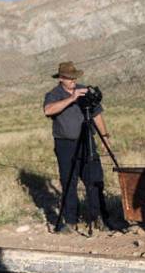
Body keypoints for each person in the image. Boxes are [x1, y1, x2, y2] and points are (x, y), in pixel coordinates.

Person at [43, 61, 118, 235]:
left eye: (74, 77)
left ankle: (99, 217)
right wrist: (71, 98)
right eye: (70, 78)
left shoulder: (84, 90)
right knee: (69, 181)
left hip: (87, 141)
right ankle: (70, 221)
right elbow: (48, 110)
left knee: (94, 179)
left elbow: (97, 114)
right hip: (65, 144)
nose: (73, 81)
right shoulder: (54, 94)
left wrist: (105, 137)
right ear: (61, 78)